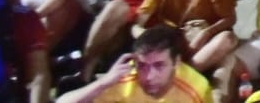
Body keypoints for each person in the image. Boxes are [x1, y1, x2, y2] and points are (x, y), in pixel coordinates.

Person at [59, 25, 213, 103]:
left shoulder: (196, 88)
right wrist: (103, 83)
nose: (149, 76)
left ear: (176, 62)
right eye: (142, 65)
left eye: (159, 65)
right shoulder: (124, 77)